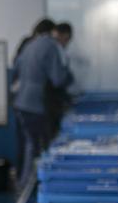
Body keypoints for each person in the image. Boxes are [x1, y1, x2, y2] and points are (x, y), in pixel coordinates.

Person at [12, 20, 73, 192]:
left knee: (28, 145)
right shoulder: (51, 47)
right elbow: (58, 79)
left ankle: (24, 185)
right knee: (36, 146)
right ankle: (30, 187)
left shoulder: (29, 44)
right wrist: (68, 74)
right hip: (36, 103)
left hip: (21, 101)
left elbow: (16, 68)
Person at [46, 22, 74, 138]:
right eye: (66, 39)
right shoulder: (52, 47)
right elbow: (58, 79)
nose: (66, 43)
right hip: (50, 101)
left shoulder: (50, 46)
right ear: (63, 35)